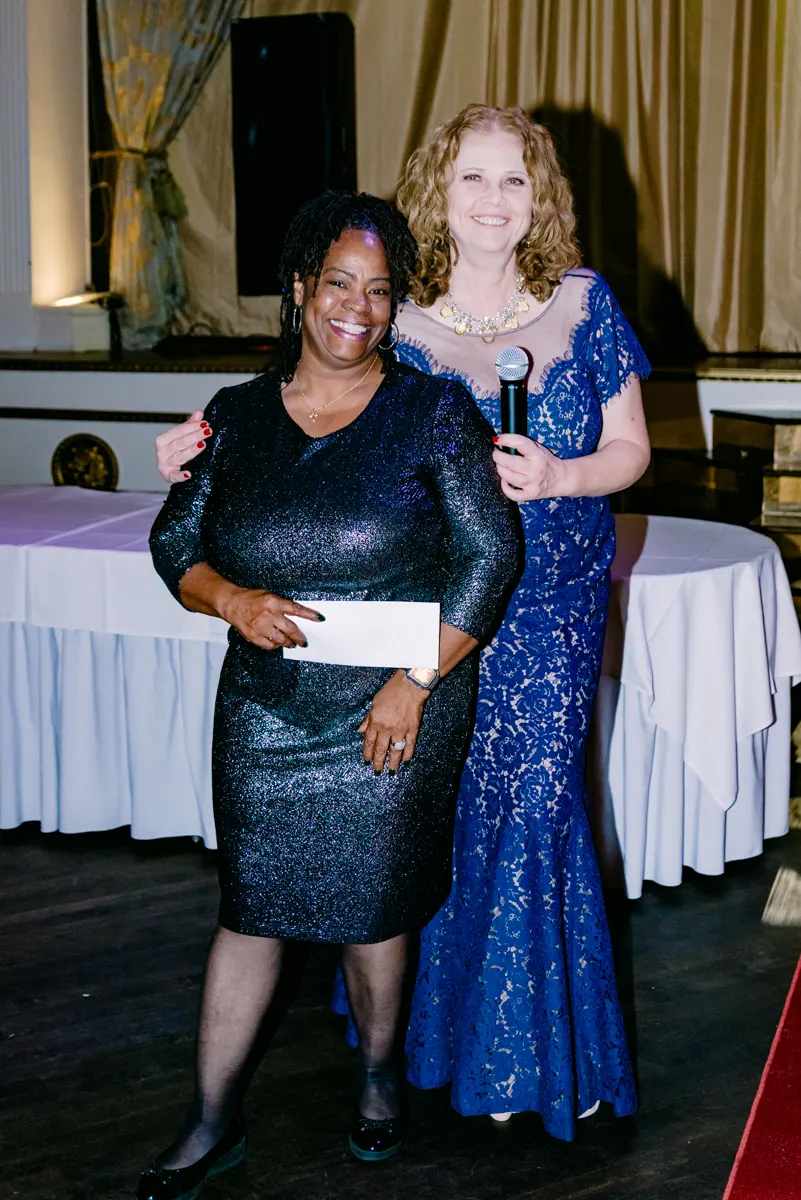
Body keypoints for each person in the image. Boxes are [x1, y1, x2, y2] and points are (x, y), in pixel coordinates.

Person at [155, 104, 651, 1144]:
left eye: (514, 178)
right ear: (438, 188)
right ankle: (423, 1048)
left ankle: (527, 1058)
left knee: (532, 813)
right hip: (428, 616)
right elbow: (315, 421)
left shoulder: (582, 302)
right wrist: (198, 454)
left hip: (545, 611)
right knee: (433, 824)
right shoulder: (394, 313)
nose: (492, 198)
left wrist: (564, 475)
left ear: (540, 196)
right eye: (472, 176)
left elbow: (630, 450)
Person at [142, 190, 522, 1199]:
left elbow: (490, 557)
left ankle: (380, 1079)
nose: (357, 307)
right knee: (250, 908)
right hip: (264, 706)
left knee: (372, 911)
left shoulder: (432, 412)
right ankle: (210, 1120)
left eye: (379, 291)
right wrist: (231, 599)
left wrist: (415, 683)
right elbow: (176, 543)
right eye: (339, 283)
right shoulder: (234, 416)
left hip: (397, 702)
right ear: (300, 287)